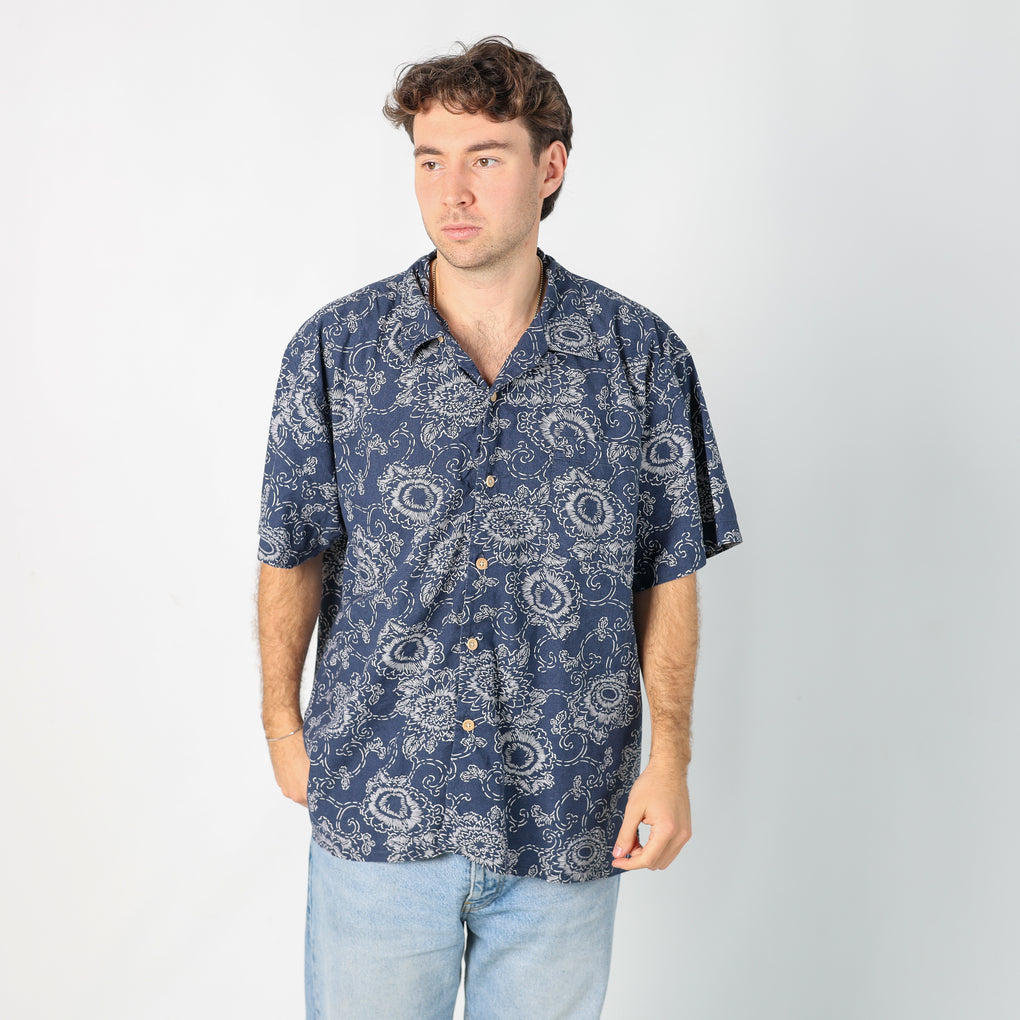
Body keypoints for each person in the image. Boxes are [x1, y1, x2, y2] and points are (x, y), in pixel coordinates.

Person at [258, 36, 741, 1020]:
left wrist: (671, 761)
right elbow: (290, 551)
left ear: (550, 167)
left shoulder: (640, 358)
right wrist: (281, 726)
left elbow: (669, 571)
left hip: (567, 815)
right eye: (430, 161)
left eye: (484, 157)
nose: (453, 191)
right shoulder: (338, 352)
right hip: (378, 804)